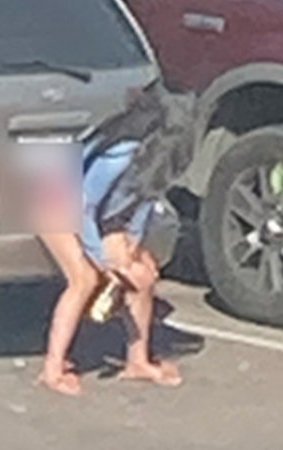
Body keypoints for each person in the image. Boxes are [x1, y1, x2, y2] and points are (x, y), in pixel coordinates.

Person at [36, 80, 197, 396]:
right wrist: (107, 258)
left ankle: (137, 361)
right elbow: (83, 204)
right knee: (83, 278)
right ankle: (52, 369)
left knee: (142, 274)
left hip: (90, 206)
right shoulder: (122, 154)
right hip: (49, 188)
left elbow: (141, 203)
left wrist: (131, 252)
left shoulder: (156, 165)